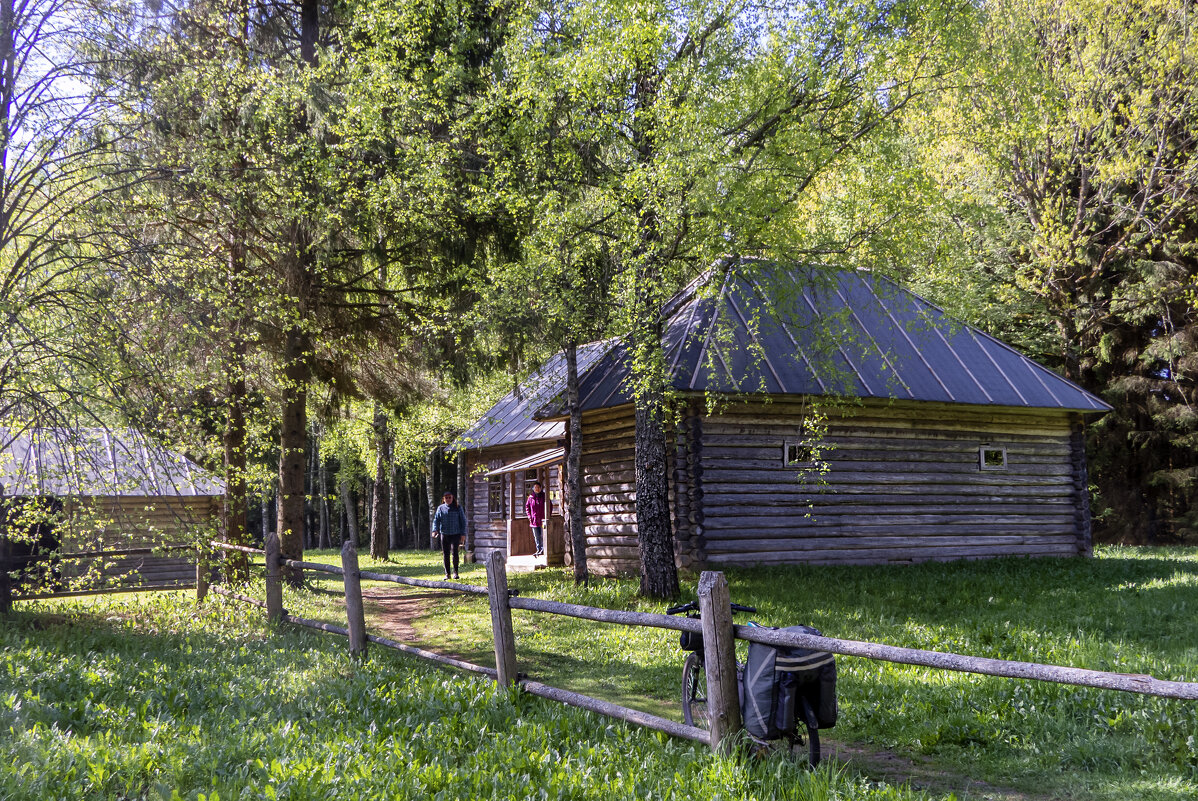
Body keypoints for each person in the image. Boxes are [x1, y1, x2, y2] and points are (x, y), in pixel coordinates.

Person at [432, 491, 467, 579]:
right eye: (446, 498)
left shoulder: (458, 508)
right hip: (444, 534)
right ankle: (447, 574)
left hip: (456, 534)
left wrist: (463, 534)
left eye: (449, 497)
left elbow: (463, 521)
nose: (448, 499)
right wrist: (435, 530)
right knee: (446, 554)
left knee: (455, 553)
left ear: (452, 498)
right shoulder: (440, 508)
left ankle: (456, 573)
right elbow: (436, 520)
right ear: (443, 499)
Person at [525, 480, 547, 557]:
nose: (537, 489)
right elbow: (527, 507)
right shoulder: (531, 497)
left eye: (538, 487)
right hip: (534, 520)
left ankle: (544, 550)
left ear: (540, 488)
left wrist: (548, 516)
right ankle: (538, 549)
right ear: (533, 489)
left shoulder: (544, 496)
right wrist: (529, 516)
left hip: (542, 520)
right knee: (536, 536)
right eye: (535, 487)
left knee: (543, 535)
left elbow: (549, 506)